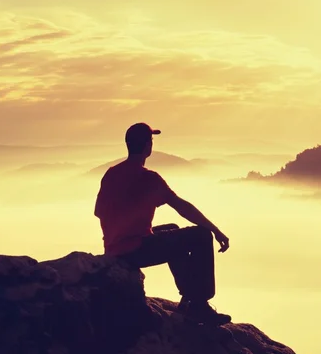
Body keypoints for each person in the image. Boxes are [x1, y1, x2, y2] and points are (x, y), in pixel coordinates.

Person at [94, 122, 231, 325]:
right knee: (201, 236)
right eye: (151, 141)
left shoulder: (111, 174)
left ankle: (188, 298)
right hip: (135, 250)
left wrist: (126, 224)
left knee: (172, 231)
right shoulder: (149, 179)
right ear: (147, 146)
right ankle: (199, 305)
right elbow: (182, 207)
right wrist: (215, 230)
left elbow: (98, 212)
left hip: (114, 248)